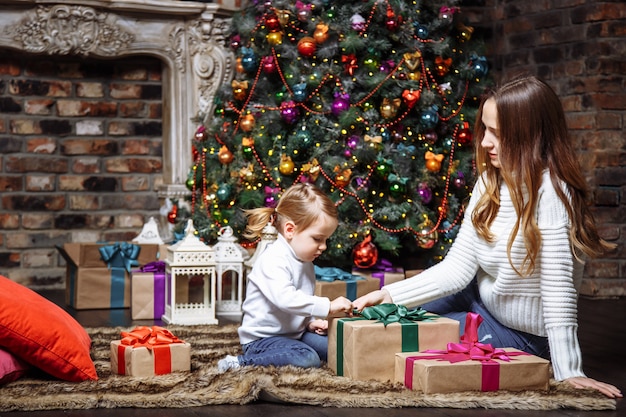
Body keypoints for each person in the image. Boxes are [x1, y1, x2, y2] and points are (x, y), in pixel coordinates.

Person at [353, 75, 622, 399]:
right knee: (381, 317)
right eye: (486, 129)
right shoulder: (491, 182)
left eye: (497, 132)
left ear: (529, 135)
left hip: (522, 335)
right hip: (477, 299)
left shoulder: (552, 194)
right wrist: (390, 296)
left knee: (396, 340)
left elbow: (558, 296)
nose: (484, 143)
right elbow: (457, 269)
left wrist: (569, 372)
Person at [218, 183, 353, 372]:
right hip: (262, 340)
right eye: (317, 239)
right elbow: (286, 299)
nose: (323, 246)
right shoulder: (273, 259)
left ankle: (296, 348)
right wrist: (328, 307)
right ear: (290, 230)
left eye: (326, 240)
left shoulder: (305, 260)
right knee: (307, 358)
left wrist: (310, 321)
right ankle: (240, 363)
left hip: (294, 335)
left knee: (335, 347)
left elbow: (302, 298)